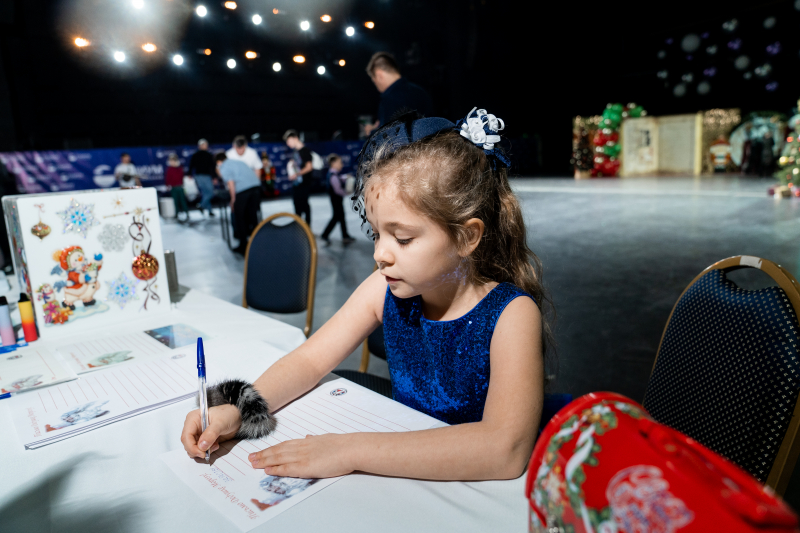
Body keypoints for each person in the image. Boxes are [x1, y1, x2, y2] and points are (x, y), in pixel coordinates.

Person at [181, 108, 550, 482]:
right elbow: (310, 359)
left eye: (402, 238)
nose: (380, 253)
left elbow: (504, 450)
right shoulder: (382, 287)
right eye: (376, 234)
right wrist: (239, 409)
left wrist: (348, 450)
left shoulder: (511, 314)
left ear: (466, 237)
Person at [363, 52, 434, 137]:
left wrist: (372, 132)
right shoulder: (420, 92)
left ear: (379, 75)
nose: (377, 88)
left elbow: (389, 138)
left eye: (374, 82)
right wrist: (380, 127)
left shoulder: (390, 99)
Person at [215, 152, 261, 255]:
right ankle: (258, 243)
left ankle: (243, 246)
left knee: (239, 218)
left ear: (218, 162)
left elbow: (231, 183)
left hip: (243, 190)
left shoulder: (224, 166)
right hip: (256, 188)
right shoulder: (239, 162)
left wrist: (233, 200)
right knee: (253, 216)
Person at [320, 154, 354, 245]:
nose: (341, 164)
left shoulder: (333, 174)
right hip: (336, 200)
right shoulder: (333, 176)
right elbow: (338, 190)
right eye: (340, 162)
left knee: (340, 217)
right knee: (336, 217)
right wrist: (347, 193)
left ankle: (345, 235)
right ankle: (325, 234)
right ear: (333, 163)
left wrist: (345, 176)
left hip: (336, 200)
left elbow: (339, 178)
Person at [283, 130, 313, 225]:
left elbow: (309, 167)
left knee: (304, 206)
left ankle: (307, 228)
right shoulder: (296, 151)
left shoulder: (305, 150)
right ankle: (299, 227)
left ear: (295, 138)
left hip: (304, 183)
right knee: (297, 207)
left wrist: (296, 174)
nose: (288, 144)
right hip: (297, 183)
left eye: (289, 141)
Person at [189, 139, 216, 217]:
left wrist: (214, 177)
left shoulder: (209, 155)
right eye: (203, 145)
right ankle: (201, 205)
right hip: (200, 176)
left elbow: (212, 167)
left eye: (205, 145)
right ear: (199, 146)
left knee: (207, 193)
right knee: (209, 193)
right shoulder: (196, 155)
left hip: (206, 176)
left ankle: (209, 210)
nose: (204, 146)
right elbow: (191, 165)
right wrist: (189, 173)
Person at [165, 153, 189, 222]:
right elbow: (168, 178)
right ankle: (177, 213)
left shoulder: (179, 168)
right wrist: (167, 185)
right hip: (173, 188)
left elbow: (181, 177)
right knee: (175, 202)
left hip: (180, 187)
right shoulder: (169, 169)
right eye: (170, 161)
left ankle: (186, 213)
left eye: (172, 161)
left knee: (182, 201)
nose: (171, 162)